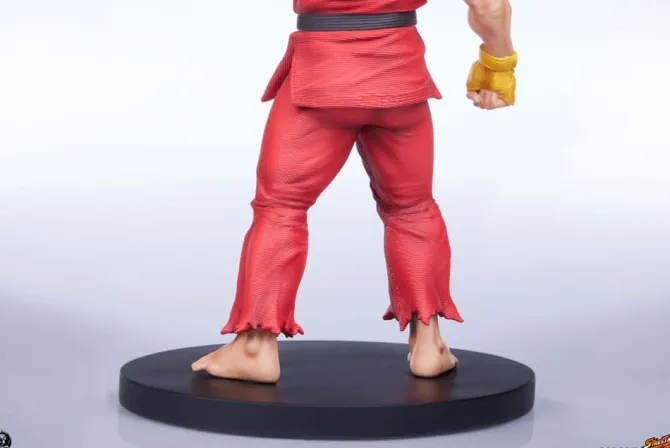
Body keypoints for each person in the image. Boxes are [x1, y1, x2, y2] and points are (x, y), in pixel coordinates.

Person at [192, 0, 517, 383]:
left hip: (323, 77)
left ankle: (254, 349)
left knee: (281, 208)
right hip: (400, 78)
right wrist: (498, 66)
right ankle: (430, 346)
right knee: (412, 209)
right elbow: (490, 7)